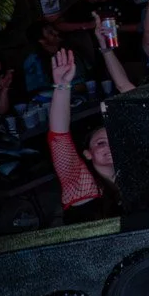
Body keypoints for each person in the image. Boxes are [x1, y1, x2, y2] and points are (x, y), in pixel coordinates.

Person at [46, 49, 119, 221]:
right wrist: (62, 86)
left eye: (113, 140)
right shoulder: (81, 182)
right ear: (87, 153)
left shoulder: (131, 176)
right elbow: (59, 135)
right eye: (101, 143)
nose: (109, 146)